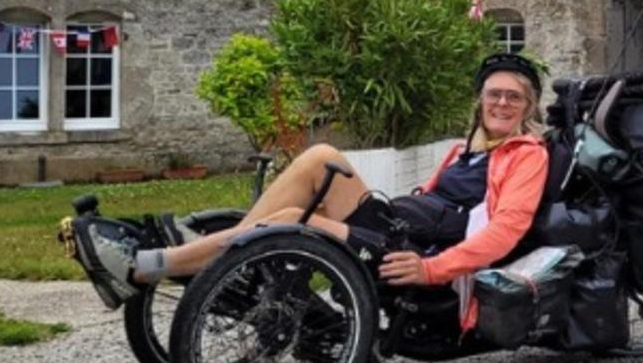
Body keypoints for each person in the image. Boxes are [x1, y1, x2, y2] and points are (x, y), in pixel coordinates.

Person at [66, 53, 549, 310]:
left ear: (528, 108)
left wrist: (431, 269)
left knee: (319, 162)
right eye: (493, 95)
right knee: (287, 215)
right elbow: (427, 198)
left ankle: (153, 264)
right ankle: (200, 257)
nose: (501, 104)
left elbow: (505, 232)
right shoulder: (462, 150)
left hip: (415, 252)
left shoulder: (528, 155)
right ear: (479, 101)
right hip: (396, 226)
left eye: (513, 98)